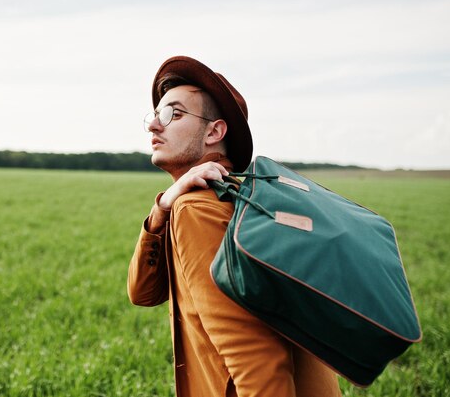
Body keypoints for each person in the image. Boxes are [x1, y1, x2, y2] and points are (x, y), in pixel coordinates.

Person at [127, 56, 342, 397]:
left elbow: (254, 353)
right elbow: (143, 292)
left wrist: (179, 204)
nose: (155, 125)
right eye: (155, 115)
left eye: (174, 114)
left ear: (215, 131)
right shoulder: (243, 197)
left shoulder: (199, 208)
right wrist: (162, 208)